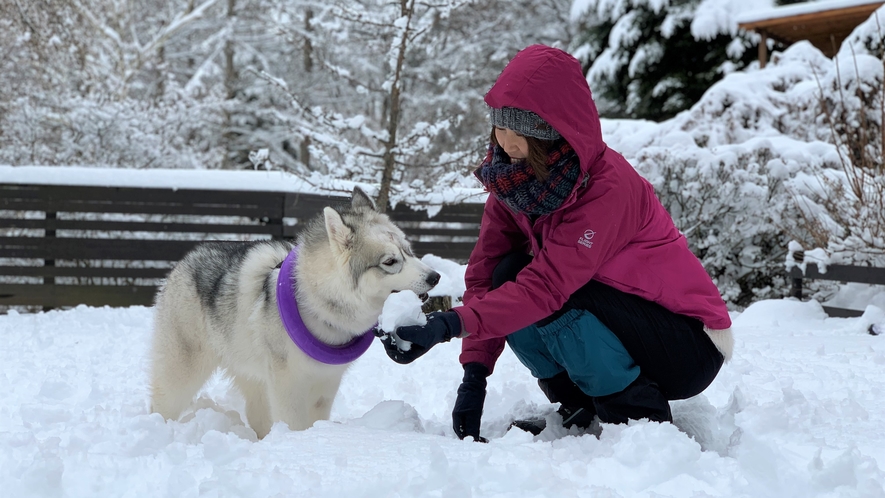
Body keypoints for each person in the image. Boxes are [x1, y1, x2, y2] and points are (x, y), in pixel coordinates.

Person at [379, 44, 734, 441]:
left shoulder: (607, 188)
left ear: (553, 134)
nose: (507, 143)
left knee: (548, 290)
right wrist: (474, 375)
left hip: (687, 342)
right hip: (622, 317)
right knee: (506, 274)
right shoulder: (513, 181)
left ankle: (636, 417)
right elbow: (484, 277)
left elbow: (547, 286)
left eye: (521, 133)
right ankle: (579, 403)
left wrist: (449, 324)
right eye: (501, 127)